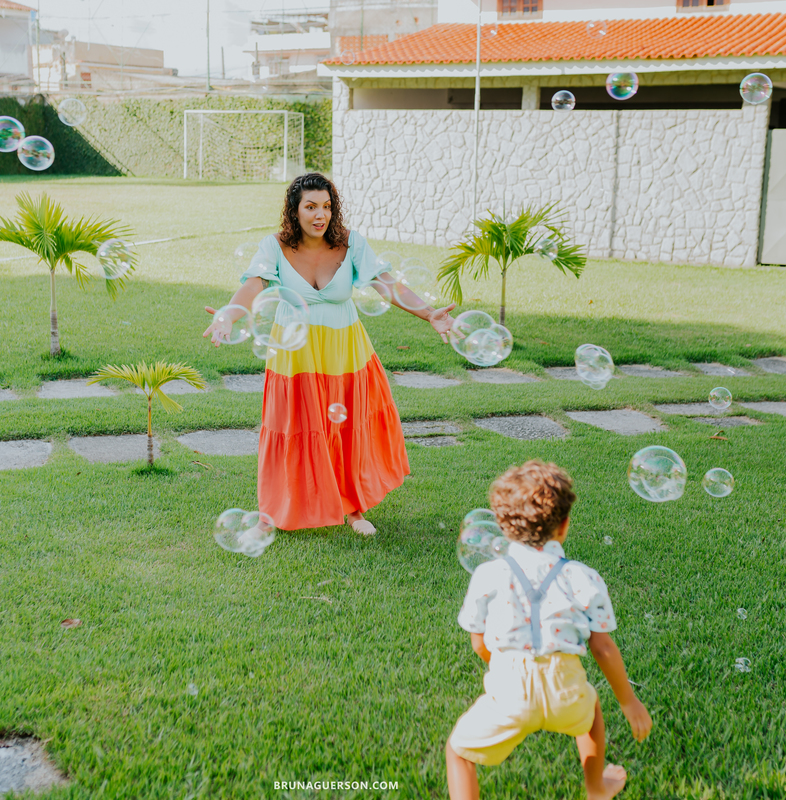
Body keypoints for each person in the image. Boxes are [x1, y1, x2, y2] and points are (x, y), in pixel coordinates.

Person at [203, 173, 455, 535]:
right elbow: (255, 284)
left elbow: (385, 283)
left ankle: (354, 510)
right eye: (310, 207)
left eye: (326, 206)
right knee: (288, 428)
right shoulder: (274, 246)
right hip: (294, 354)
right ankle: (270, 514)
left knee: (346, 430)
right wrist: (229, 314)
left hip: (344, 352)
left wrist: (429, 313)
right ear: (294, 211)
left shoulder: (351, 244)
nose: (320, 214)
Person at [446, 460, 651, 800]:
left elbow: (479, 644)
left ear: (503, 527)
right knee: (591, 711)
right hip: (566, 687)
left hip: (510, 689)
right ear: (565, 525)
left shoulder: (487, 575)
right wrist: (629, 702)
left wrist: (506, 665)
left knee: (458, 751)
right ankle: (596, 788)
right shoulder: (583, 576)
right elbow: (603, 649)